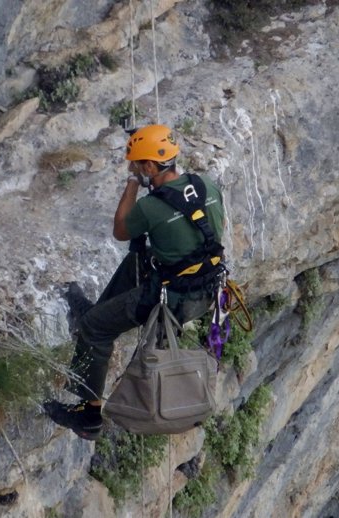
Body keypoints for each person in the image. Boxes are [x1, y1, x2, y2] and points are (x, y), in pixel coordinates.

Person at [44, 124, 226, 440]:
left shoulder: (150, 206)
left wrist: (132, 183)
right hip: (208, 290)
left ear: (150, 167)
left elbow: (121, 230)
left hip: (172, 299)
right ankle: (97, 311)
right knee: (138, 259)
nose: (134, 169)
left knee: (95, 328)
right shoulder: (206, 185)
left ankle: (88, 413)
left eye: (137, 164)